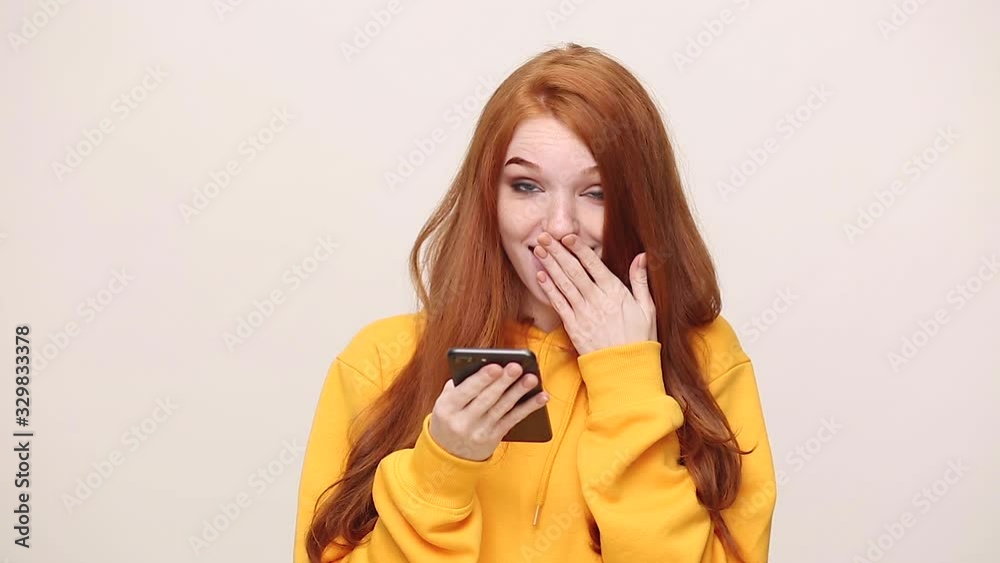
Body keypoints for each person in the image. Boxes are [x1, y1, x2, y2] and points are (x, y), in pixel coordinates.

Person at [294, 43, 777, 563]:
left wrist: (628, 381)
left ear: (641, 203)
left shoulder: (709, 359)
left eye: (597, 193)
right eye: (526, 186)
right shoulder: (380, 360)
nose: (560, 226)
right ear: (489, 198)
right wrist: (442, 468)